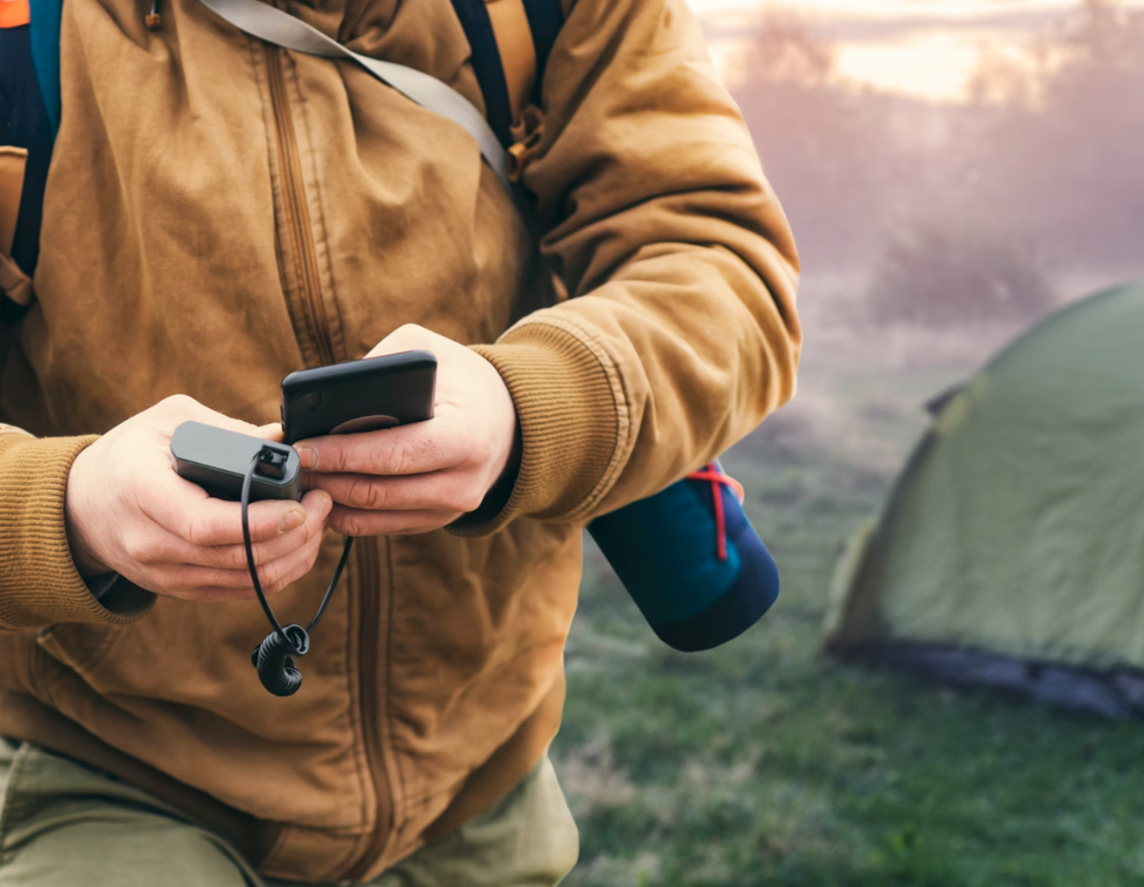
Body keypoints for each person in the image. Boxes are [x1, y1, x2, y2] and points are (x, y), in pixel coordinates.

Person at [0, 0, 801, 882]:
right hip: (102, 768)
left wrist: (523, 405)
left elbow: (722, 266)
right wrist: (66, 506)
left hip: (480, 781)